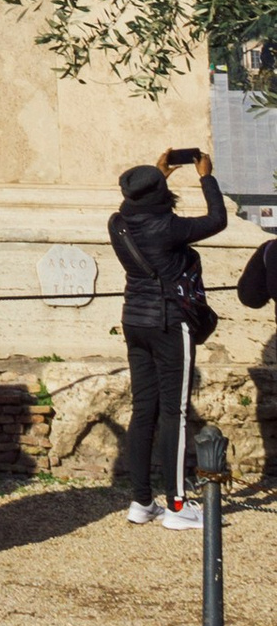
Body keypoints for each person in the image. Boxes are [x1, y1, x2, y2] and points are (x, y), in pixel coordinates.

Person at [112, 145, 228, 532]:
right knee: (174, 414)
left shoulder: (117, 223)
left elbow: (134, 203)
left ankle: (141, 501)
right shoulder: (169, 228)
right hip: (169, 322)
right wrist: (206, 177)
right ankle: (177, 504)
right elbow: (217, 219)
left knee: (143, 409)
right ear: (159, 194)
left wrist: (157, 175)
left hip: (134, 320)